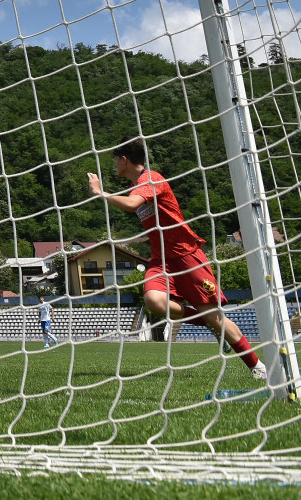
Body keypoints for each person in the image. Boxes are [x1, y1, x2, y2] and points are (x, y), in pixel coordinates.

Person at [87, 136, 267, 379]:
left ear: (124, 159)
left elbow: (131, 205)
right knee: (154, 301)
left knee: (214, 316)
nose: (114, 166)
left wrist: (100, 193)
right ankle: (210, 324)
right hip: (161, 260)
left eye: (115, 161)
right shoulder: (137, 185)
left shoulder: (153, 179)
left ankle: (257, 367)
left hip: (186, 256)